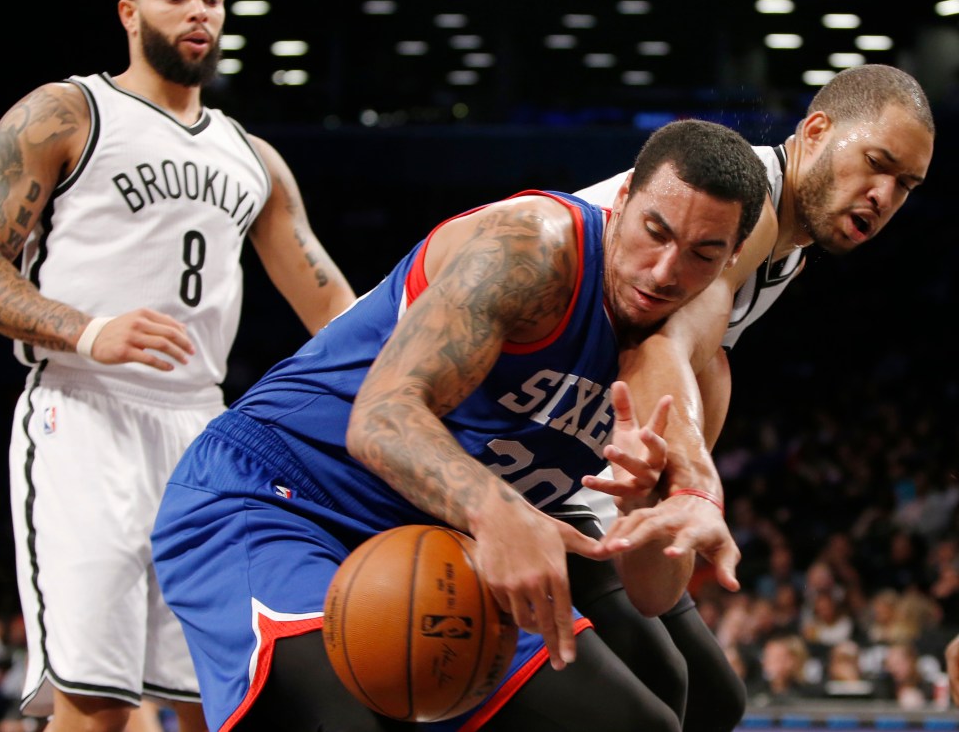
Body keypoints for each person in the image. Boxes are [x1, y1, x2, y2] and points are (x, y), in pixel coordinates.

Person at [150, 119, 769, 732]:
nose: (665, 271)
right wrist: (498, 510)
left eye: (702, 254)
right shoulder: (535, 248)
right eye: (654, 232)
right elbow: (381, 418)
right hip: (277, 495)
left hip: (429, 533)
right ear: (625, 198)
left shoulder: (686, 368)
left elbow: (654, 596)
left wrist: (653, 513)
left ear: (733, 258)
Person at [0, 0, 356, 732]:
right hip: (84, 408)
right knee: (97, 700)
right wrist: (88, 329)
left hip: (202, 429)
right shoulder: (66, 112)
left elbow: (332, 305)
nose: (200, 11)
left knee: (212, 696)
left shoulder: (253, 159)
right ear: (130, 13)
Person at [551, 63, 936, 731]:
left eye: (906, 184)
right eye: (877, 162)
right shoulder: (749, 199)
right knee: (663, 701)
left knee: (712, 698)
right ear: (816, 131)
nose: (884, 194)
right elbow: (661, 348)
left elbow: (690, 359)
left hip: (570, 452)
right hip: (509, 434)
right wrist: (697, 482)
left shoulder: (790, 252)